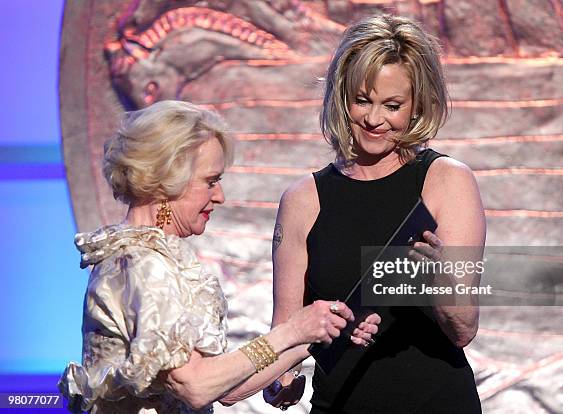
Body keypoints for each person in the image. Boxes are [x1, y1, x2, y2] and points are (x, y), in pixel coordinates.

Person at [58, 100, 380, 413]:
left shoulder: (158, 262)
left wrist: (317, 333)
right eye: (210, 182)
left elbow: (225, 388)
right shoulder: (140, 265)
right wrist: (294, 330)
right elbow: (195, 387)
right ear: (168, 179)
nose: (220, 196)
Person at [266, 14, 486, 413]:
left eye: (392, 105)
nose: (373, 119)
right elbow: (286, 329)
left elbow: (464, 330)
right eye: (362, 100)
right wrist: (279, 382)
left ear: (418, 104)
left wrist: (439, 282)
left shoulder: (447, 181)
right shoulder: (302, 199)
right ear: (341, 94)